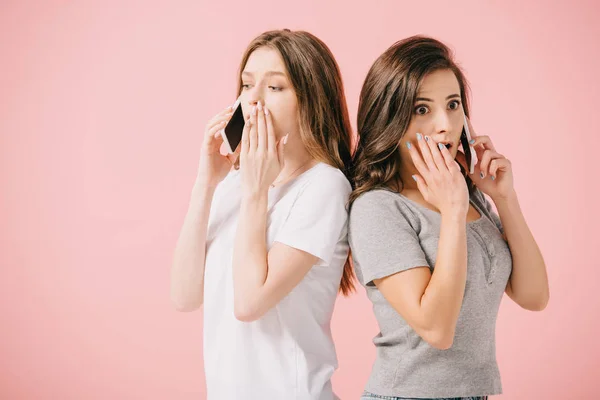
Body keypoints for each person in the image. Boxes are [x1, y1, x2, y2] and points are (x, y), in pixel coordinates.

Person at [349, 35, 549, 400]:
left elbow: (534, 295)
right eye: (422, 109)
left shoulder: (467, 193)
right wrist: (453, 213)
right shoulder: (378, 208)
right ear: (389, 118)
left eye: (453, 104)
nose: (445, 124)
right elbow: (437, 329)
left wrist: (505, 199)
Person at [170, 29, 355, 400]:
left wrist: (256, 191)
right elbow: (185, 295)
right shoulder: (234, 183)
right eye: (246, 84)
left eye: (275, 88)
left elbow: (249, 304)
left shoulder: (324, 187)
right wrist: (207, 181)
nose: (252, 101)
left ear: (312, 100)